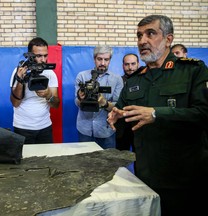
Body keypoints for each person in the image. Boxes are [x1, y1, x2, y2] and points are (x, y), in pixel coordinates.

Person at [107, 15, 208, 215]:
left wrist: (156, 114)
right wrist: (117, 118)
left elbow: (203, 113)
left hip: (186, 181)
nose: (142, 41)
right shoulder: (135, 80)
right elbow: (123, 117)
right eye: (139, 35)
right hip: (146, 178)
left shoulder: (192, 71)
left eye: (150, 34)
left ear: (168, 39)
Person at [10, 37, 60, 144]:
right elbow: (15, 102)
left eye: (45, 55)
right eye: (39, 56)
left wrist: (48, 95)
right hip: (22, 127)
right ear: (30, 56)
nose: (43, 60)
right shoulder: (18, 71)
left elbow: (56, 105)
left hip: (45, 127)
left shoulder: (50, 74)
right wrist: (20, 80)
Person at [75, 45, 123, 149]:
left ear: (110, 60)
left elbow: (117, 106)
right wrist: (80, 99)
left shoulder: (117, 79)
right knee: (85, 163)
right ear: (94, 59)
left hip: (105, 130)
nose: (102, 63)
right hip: (85, 129)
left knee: (108, 163)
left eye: (106, 59)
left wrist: (104, 103)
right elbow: (76, 102)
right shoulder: (82, 76)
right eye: (99, 59)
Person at [116, 53, 140, 152]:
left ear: (138, 64)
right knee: (120, 158)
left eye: (133, 64)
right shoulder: (119, 81)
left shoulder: (145, 81)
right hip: (122, 127)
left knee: (139, 158)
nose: (130, 67)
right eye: (127, 64)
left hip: (139, 126)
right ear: (123, 65)